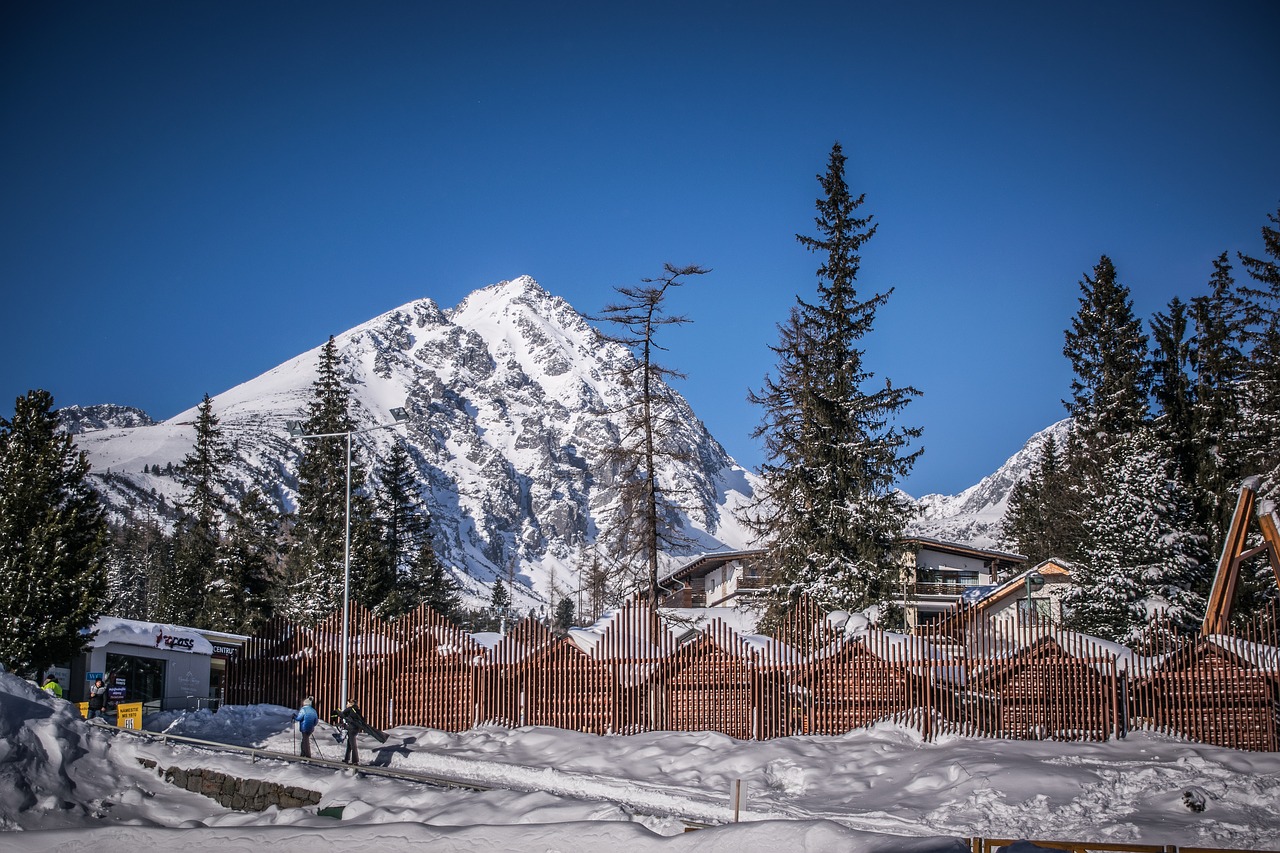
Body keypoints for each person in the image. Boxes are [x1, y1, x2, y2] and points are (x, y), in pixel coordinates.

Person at [337, 700, 365, 765]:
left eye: (347, 703)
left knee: (352, 745)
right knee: (349, 744)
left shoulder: (349, 709)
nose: (346, 704)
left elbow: (342, 715)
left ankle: (355, 761)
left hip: (351, 729)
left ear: (350, 704)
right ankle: (346, 758)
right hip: (356, 729)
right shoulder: (357, 710)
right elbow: (361, 719)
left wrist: (338, 711)